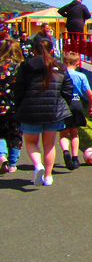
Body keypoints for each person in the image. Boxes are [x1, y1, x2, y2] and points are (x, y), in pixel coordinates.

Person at [13, 38, 73, 187]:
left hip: (29, 110)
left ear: (33, 51)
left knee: (31, 142)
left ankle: (37, 165)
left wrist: (18, 107)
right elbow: (68, 91)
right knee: (49, 145)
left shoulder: (25, 66)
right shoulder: (59, 67)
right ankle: (48, 176)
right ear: (52, 50)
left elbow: (18, 89)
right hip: (53, 111)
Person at [58, 52, 92, 171]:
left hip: (63, 104)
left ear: (64, 62)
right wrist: (90, 106)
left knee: (63, 133)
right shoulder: (81, 76)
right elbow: (89, 93)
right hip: (76, 102)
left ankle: (65, 151)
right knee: (74, 133)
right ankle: (75, 157)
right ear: (78, 63)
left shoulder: (59, 74)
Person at [0, 39, 24, 175]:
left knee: (0, 134)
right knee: (15, 135)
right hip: (15, 107)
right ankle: (12, 164)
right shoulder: (20, 68)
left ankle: (1, 156)